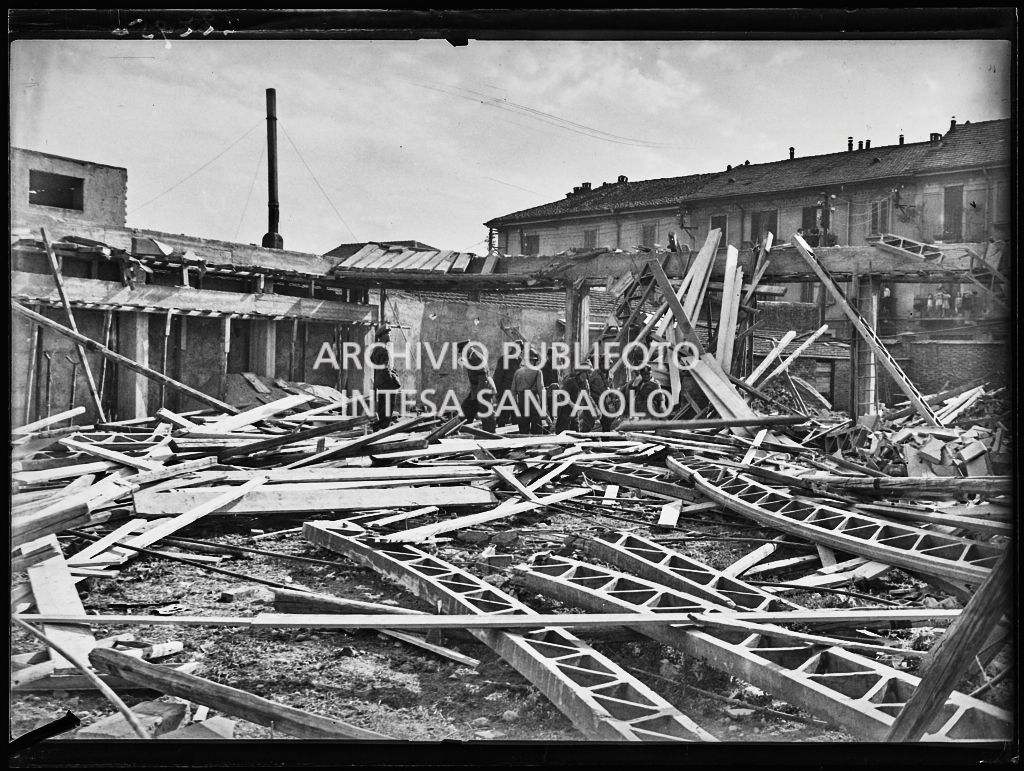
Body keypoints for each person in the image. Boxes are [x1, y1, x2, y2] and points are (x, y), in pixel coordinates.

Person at [457, 340, 496, 434]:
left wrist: (479, 393)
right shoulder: (470, 356)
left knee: (486, 412)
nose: (461, 354)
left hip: (484, 388)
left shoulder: (475, 357)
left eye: (462, 351)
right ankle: (461, 431)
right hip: (477, 388)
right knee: (466, 409)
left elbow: (483, 375)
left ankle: (490, 434)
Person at [370, 326, 401, 429]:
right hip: (387, 383)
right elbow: (385, 368)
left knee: (382, 406)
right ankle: (383, 428)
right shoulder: (384, 350)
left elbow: (373, 361)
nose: (390, 335)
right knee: (388, 407)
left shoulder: (376, 349)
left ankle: (377, 426)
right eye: (388, 333)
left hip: (381, 382)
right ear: (382, 336)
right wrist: (392, 380)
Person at [511, 349, 545, 434]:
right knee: (537, 428)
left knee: (523, 429)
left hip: (521, 401)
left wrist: (516, 405)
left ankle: (523, 446)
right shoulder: (537, 372)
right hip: (533, 401)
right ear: (534, 360)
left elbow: (513, 391)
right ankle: (535, 445)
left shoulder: (518, 372)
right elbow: (541, 390)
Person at [492, 343, 522, 427]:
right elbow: (498, 376)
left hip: (516, 392)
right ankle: (500, 435)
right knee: (503, 415)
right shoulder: (504, 359)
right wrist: (497, 391)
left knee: (516, 416)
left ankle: (516, 435)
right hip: (505, 391)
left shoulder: (520, 360)